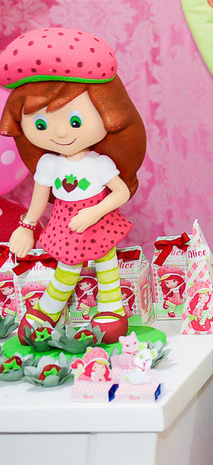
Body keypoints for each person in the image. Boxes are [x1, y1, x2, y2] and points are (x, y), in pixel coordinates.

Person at [0, 27, 147, 345]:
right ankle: (47, 311)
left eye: (75, 121)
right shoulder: (48, 164)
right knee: (67, 268)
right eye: (40, 124)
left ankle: (111, 309)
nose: (61, 133)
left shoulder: (98, 163)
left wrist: (95, 212)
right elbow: (39, 198)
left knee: (106, 263)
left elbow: (120, 192)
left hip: (96, 220)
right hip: (64, 224)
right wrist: (26, 227)